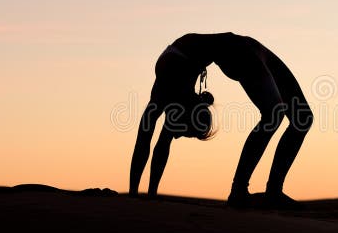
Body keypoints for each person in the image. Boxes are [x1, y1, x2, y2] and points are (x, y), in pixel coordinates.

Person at [128, 32, 313, 209]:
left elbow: (148, 139)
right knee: (293, 117)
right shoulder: (178, 100)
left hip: (240, 50)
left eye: (181, 133)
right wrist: (146, 194)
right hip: (247, 47)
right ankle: (263, 190)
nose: (176, 136)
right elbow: (157, 140)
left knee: (287, 115)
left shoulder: (165, 93)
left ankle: (244, 190)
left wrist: (135, 195)